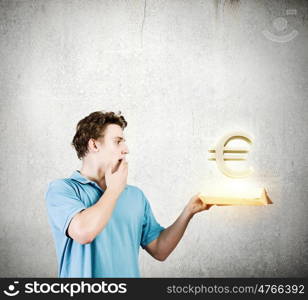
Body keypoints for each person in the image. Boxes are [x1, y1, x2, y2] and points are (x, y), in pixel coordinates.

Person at [45, 111, 213, 278]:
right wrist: (113, 190)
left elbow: (160, 250)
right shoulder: (62, 190)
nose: (126, 150)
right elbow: (84, 232)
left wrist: (188, 212)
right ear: (94, 145)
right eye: (117, 142)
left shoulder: (135, 196)